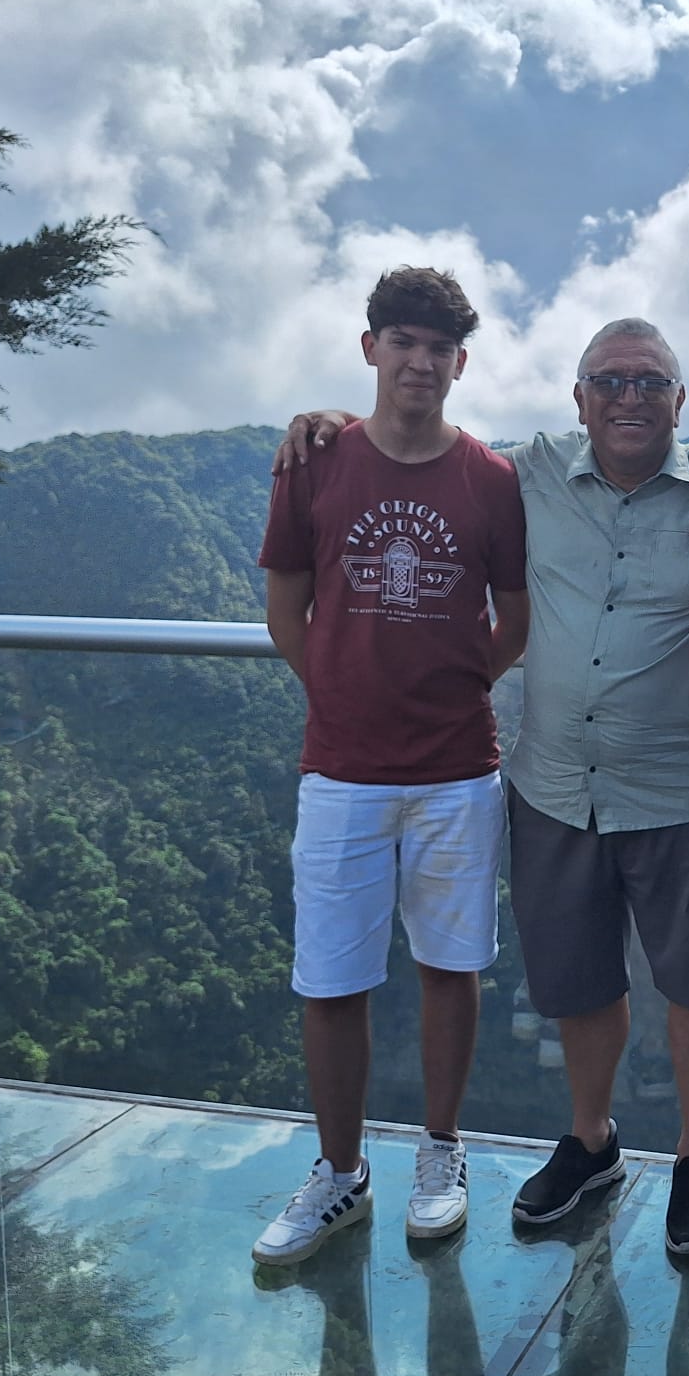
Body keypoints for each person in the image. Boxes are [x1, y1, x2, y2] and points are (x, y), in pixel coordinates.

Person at [275, 319, 689, 1258]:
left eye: (650, 383)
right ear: (578, 398)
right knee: (576, 978)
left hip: (679, 783)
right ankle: (592, 1140)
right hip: (552, 779)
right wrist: (328, 424)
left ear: (680, 403)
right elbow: (425, 452)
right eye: (609, 380)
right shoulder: (527, 473)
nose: (629, 397)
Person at [252, 267, 530, 1264]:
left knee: (453, 968)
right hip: (341, 768)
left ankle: (440, 1153)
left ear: (461, 361)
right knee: (330, 979)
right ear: (370, 348)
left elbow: (517, 619)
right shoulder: (315, 462)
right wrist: (338, 686)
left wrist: (454, 685)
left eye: (438, 346)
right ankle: (339, 1173)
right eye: (402, 341)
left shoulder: (492, 480)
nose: (420, 360)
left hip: (459, 766)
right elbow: (286, 609)